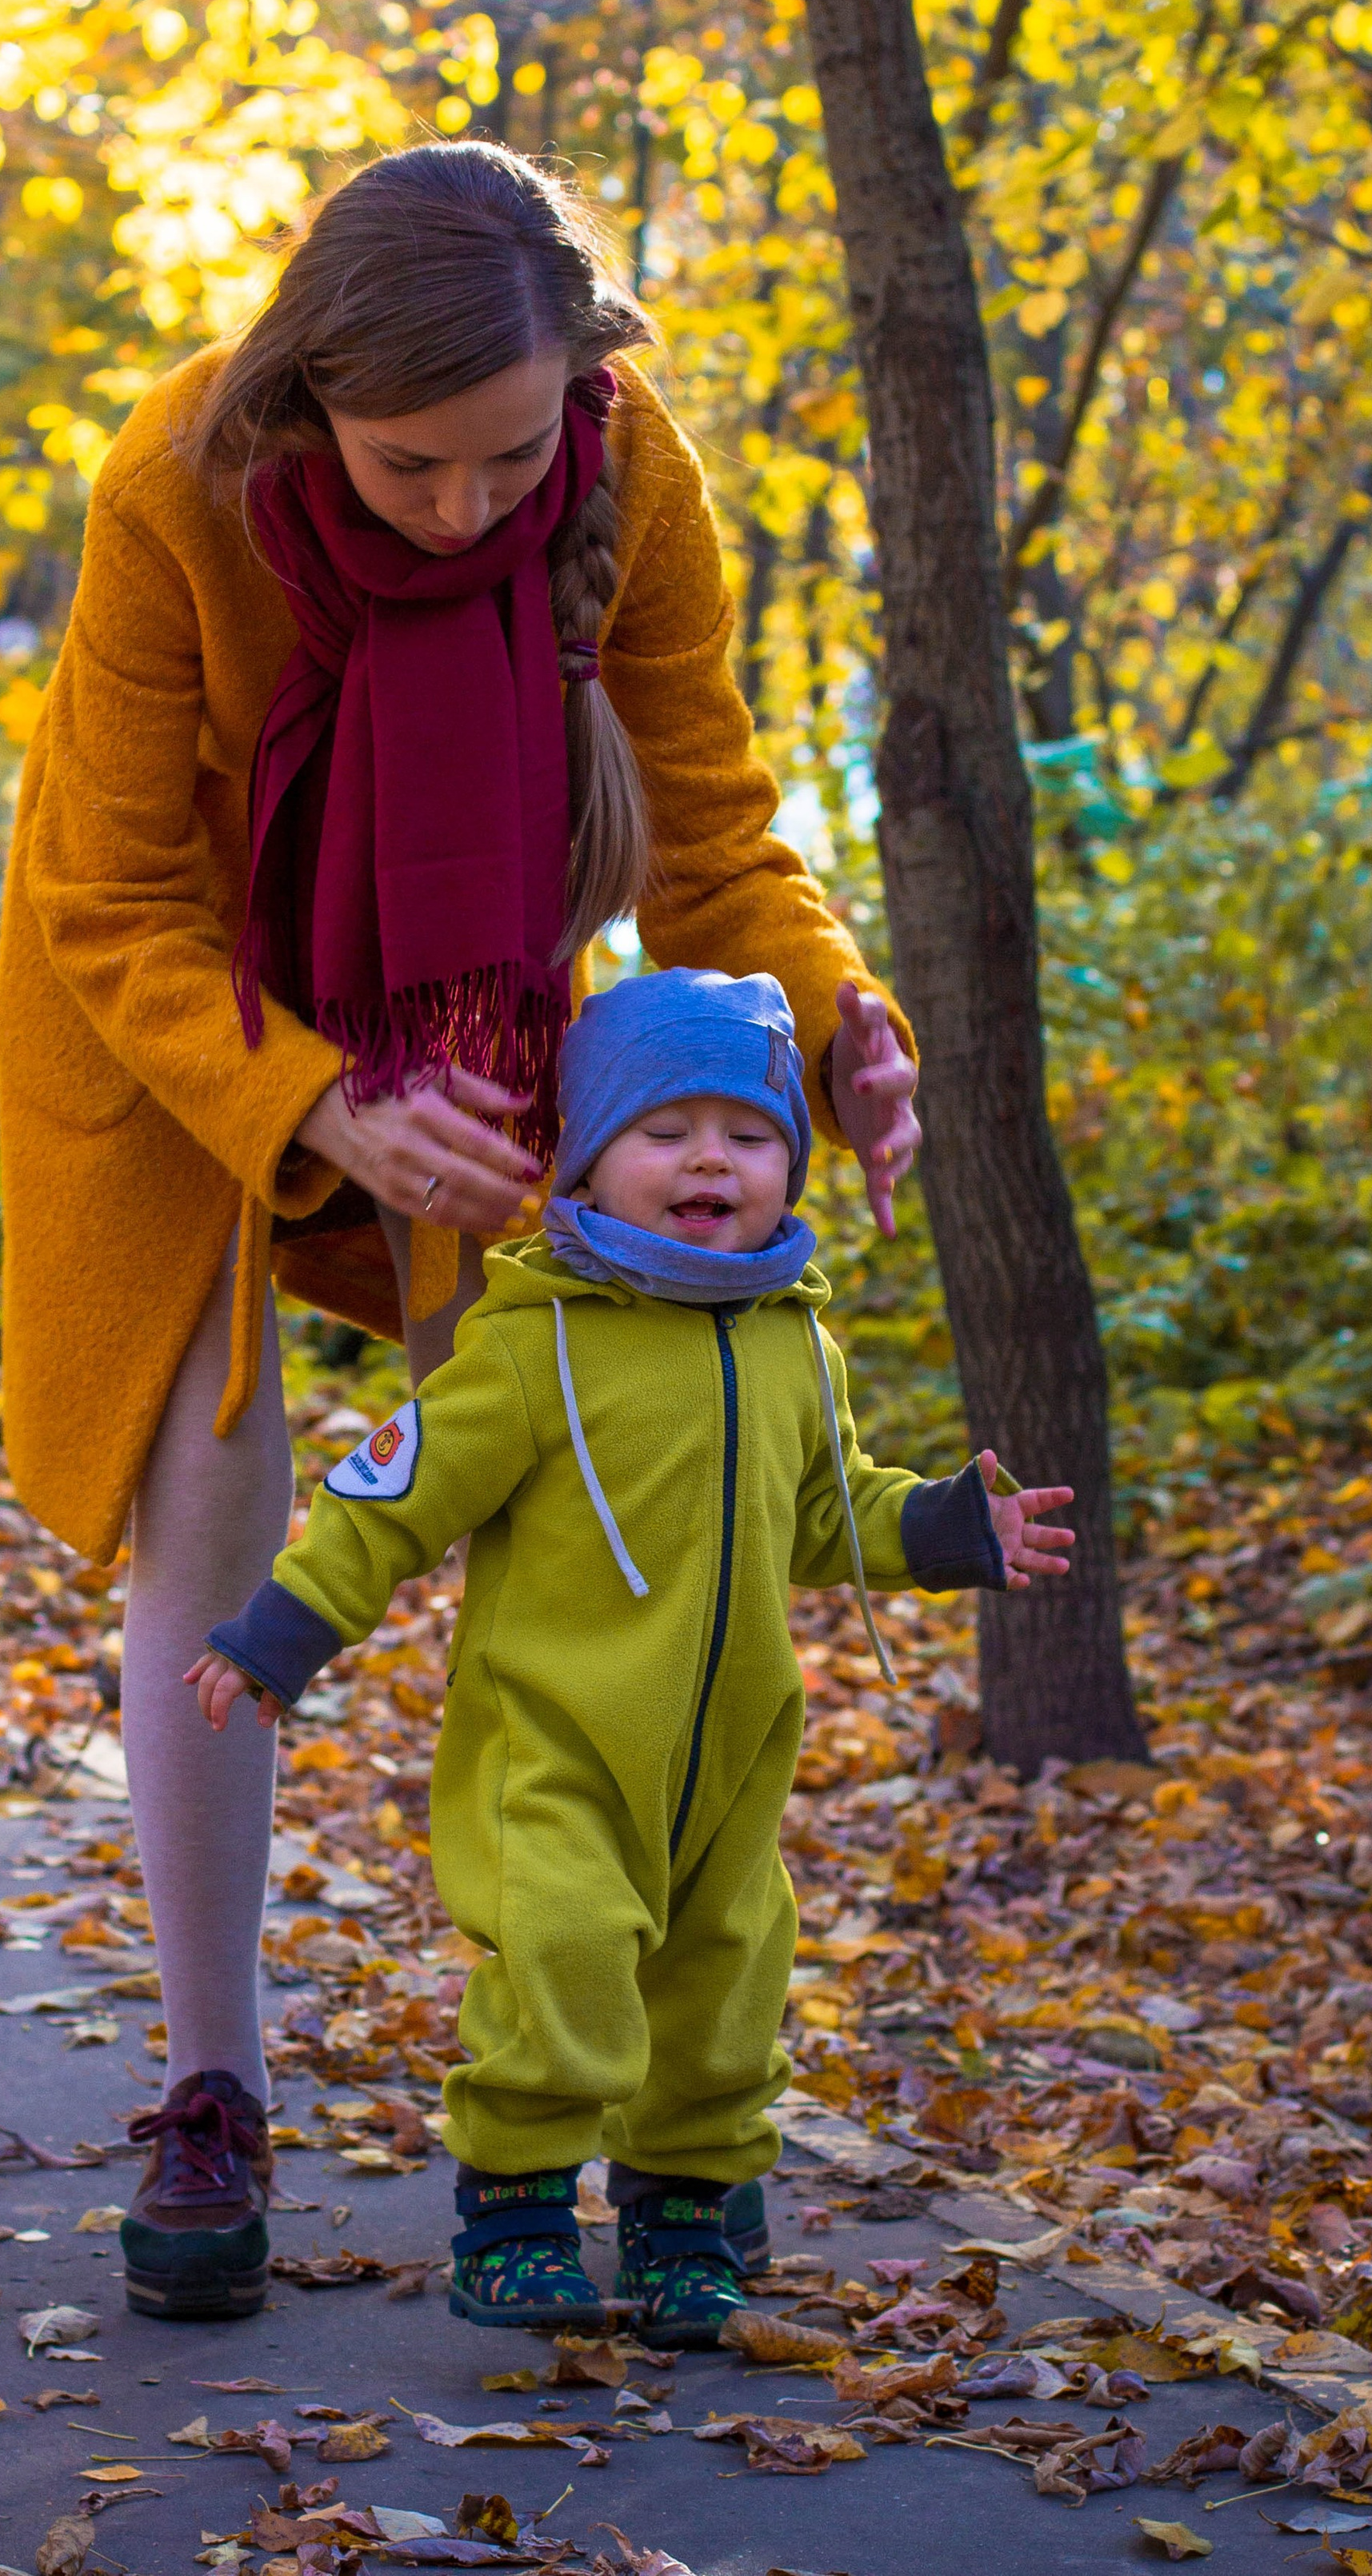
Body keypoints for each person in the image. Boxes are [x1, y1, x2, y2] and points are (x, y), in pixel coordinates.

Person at [0, 142, 927, 2326]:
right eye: (409, 464)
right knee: (212, 1455)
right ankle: (214, 2086)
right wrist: (318, 1102)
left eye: (508, 459)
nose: (459, 509)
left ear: (582, 390)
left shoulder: (627, 469)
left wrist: (835, 1020)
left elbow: (709, 828)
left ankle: (582, 2074)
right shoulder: (176, 484)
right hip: (172, 1002)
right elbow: (108, 897)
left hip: (477, 971)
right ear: (310, 402)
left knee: (550, 1448)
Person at [190, 970, 1074, 2346]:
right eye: (666, 1129)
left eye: (751, 1130)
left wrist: (959, 1526)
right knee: (566, 1954)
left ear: (792, 1162)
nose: (711, 1158)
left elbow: (831, 1509)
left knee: (728, 1984)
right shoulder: (533, 1341)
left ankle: (684, 2215)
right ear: (588, 1155)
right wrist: (283, 1632)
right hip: (562, 1750)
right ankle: (522, 2208)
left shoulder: (797, 1345)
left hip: (725, 1772)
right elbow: (394, 1497)